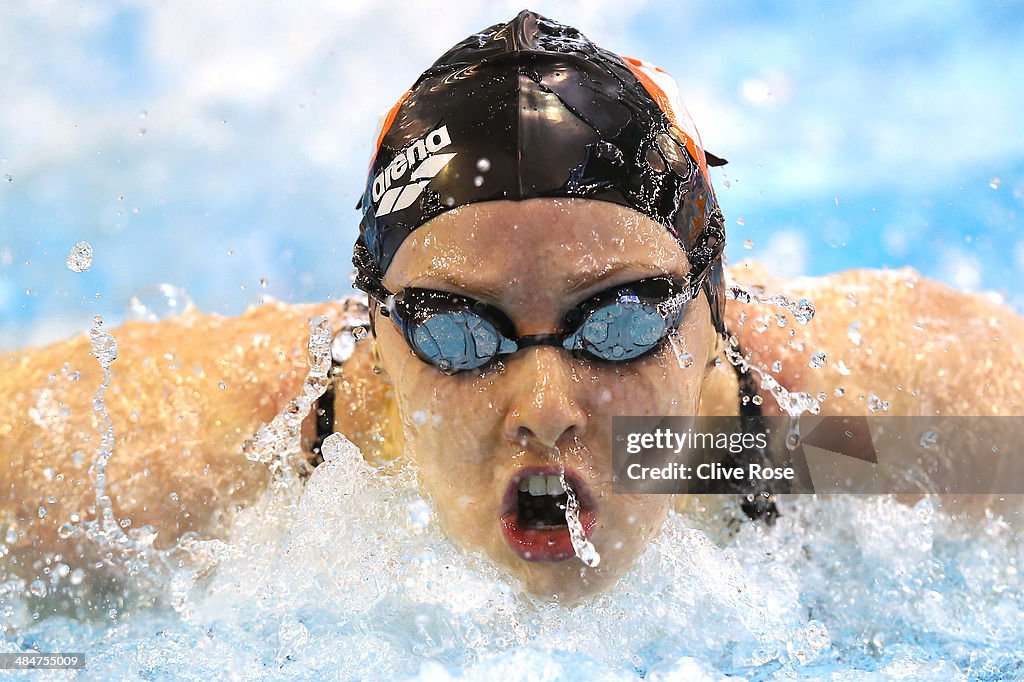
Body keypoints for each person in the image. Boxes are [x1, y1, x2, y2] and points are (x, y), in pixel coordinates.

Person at [2, 10, 1023, 603]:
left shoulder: (803, 435)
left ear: (716, 311)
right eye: (457, 328)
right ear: (378, 338)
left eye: (617, 318)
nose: (544, 403)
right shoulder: (200, 449)